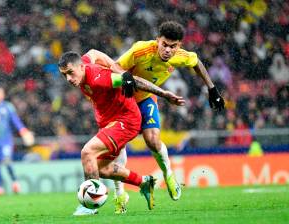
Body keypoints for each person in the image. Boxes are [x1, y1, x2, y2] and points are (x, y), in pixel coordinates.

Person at [90, 20, 225, 210]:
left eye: (173, 46)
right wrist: (126, 76)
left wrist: (212, 89)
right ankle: (120, 195)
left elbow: (197, 62)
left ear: (179, 46)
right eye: (164, 45)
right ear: (157, 41)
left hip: (146, 98)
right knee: (117, 147)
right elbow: (115, 66)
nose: (168, 50)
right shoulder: (141, 50)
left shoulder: (181, 56)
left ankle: (168, 174)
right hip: (122, 99)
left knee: (152, 140)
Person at [58, 51, 185, 215]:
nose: (68, 78)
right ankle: (144, 183)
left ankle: (90, 206)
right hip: (110, 123)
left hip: (126, 121)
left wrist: (164, 94)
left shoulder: (99, 78)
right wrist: (114, 66)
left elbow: (133, 80)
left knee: (87, 152)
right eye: (64, 75)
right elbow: (93, 53)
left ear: (81, 67)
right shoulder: (82, 64)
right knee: (99, 168)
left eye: (70, 73)